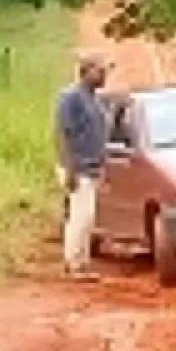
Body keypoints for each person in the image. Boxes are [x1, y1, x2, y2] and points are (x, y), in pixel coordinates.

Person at [55, 52, 112, 280]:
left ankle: (80, 262)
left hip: (91, 167)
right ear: (86, 72)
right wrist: (70, 169)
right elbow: (63, 134)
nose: (104, 75)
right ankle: (74, 264)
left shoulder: (95, 99)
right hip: (77, 166)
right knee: (81, 216)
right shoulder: (71, 97)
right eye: (100, 71)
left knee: (87, 218)